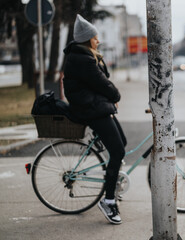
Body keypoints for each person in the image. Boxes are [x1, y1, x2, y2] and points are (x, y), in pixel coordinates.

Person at [63, 14, 127, 225]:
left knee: (121, 144)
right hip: (90, 109)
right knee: (117, 151)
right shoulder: (82, 59)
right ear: (88, 38)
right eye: (95, 37)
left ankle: (112, 181)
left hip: (94, 106)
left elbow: (99, 82)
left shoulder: (85, 55)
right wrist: (115, 97)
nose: (98, 40)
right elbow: (102, 83)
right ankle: (108, 200)